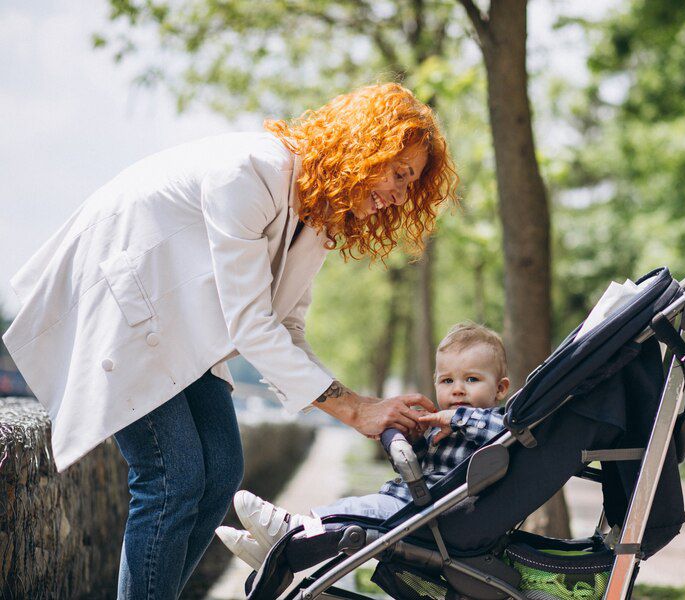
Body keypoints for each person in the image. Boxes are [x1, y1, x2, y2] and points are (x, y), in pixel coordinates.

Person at [1, 83, 457, 599]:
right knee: (172, 478)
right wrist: (353, 411)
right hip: (126, 310)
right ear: (362, 147)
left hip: (180, 328)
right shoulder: (251, 171)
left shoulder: (320, 217)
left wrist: (363, 404)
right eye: (398, 173)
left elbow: (286, 328)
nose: (400, 194)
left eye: (409, 184)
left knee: (221, 471)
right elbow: (250, 323)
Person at [215, 322, 511, 570]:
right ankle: (279, 553)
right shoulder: (441, 427)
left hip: (436, 511)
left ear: (500, 388)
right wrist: (414, 441)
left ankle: (290, 527)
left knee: (353, 513)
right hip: (416, 500)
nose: (457, 389)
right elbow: (420, 468)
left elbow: (496, 428)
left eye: (472, 379)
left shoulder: (497, 425)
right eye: (447, 381)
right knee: (349, 524)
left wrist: (455, 417)